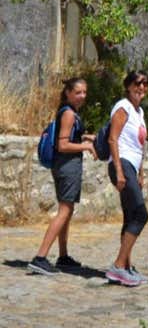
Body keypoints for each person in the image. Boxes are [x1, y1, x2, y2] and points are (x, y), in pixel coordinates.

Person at [28, 78, 97, 275]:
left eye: (84, 92)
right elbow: (62, 145)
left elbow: (68, 138)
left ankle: (63, 256)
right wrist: (86, 146)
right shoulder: (68, 113)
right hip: (67, 167)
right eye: (78, 92)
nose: (82, 96)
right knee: (64, 211)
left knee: (67, 210)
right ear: (67, 93)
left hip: (66, 166)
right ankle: (40, 257)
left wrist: (85, 137)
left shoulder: (70, 113)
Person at [105, 70, 148, 287]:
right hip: (121, 164)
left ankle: (126, 267)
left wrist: (140, 173)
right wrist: (120, 172)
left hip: (131, 166)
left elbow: (139, 146)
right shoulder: (122, 107)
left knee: (131, 215)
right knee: (141, 214)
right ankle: (118, 266)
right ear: (128, 85)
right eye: (137, 83)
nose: (141, 88)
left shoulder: (138, 112)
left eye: (145, 84)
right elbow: (113, 139)